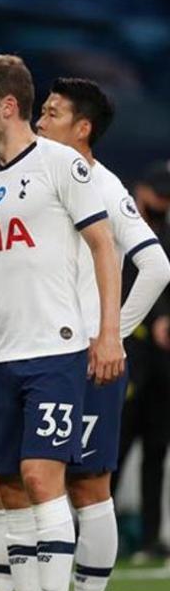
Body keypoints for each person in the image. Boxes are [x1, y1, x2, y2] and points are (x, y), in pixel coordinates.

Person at [0, 77, 170, 591]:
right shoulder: (0, 177)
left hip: (80, 353)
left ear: (81, 127)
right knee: (5, 482)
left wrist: (111, 333)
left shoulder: (95, 181)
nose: (43, 120)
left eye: (53, 113)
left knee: (80, 484)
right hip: (24, 348)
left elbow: (154, 264)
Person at [114, 161, 170, 562]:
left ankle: (150, 540)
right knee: (111, 453)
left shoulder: (165, 236)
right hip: (128, 358)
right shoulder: (121, 232)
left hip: (162, 367)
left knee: (156, 453)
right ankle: (93, 536)